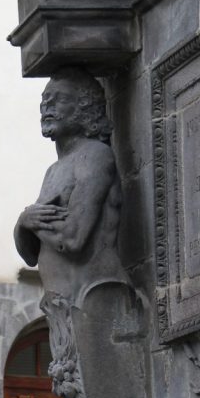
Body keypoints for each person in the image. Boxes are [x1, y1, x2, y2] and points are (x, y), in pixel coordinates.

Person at [15, 66, 125, 305]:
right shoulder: (53, 171)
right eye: (45, 100)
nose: (47, 106)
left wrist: (30, 221)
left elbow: (73, 238)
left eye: (60, 99)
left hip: (94, 296)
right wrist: (23, 224)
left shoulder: (95, 155)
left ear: (85, 109)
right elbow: (30, 255)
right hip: (62, 303)